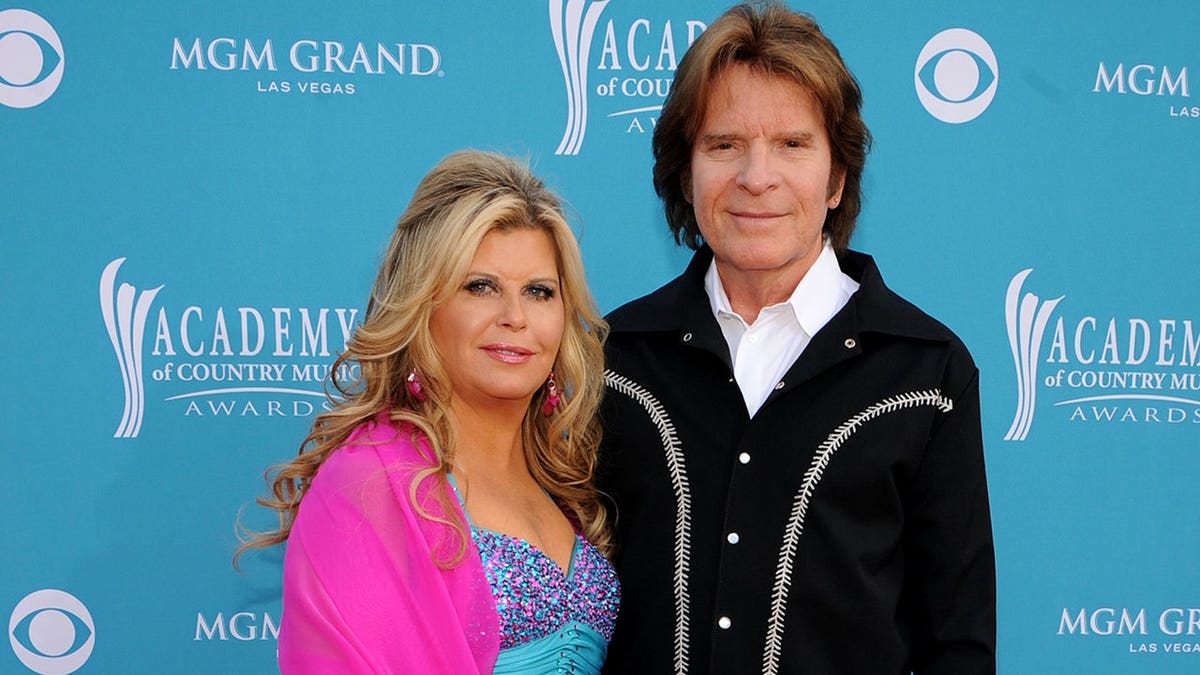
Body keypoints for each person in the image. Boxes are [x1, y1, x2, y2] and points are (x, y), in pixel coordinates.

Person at [597, 4, 995, 674]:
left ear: (837, 178)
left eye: (792, 144)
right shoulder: (615, 361)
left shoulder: (927, 374)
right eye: (723, 145)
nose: (756, 177)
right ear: (685, 172)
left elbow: (956, 642)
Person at [237, 150, 619, 674]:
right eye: (479, 287)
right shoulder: (369, 484)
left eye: (539, 291)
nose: (515, 317)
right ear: (424, 307)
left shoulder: (564, 484)